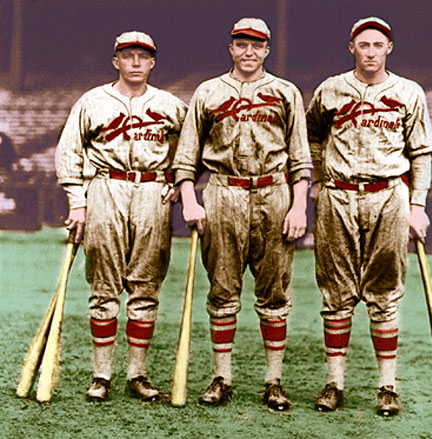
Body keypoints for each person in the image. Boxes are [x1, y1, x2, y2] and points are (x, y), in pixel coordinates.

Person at [170, 17, 311, 411]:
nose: (248, 52)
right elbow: (187, 157)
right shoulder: (209, 91)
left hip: (273, 193)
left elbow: (301, 159)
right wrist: (190, 199)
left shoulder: (285, 92)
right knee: (222, 289)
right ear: (231, 48)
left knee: (275, 293)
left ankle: (273, 381)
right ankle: (222, 377)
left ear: (267, 50)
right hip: (224, 192)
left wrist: (299, 205)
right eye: (241, 44)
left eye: (257, 45)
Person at [305, 17, 432, 416]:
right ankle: (335, 382)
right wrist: (320, 173)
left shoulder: (408, 91)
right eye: (364, 45)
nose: (370, 52)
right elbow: (311, 135)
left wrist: (418, 205)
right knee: (336, 294)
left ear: (389, 48)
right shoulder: (331, 89)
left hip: (388, 195)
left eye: (378, 45)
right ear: (352, 48)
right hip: (339, 196)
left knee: (384, 293)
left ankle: (387, 385)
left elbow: (421, 153)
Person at [55, 31, 187, 402]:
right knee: (104, 285)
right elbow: (69, 151)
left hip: (151, 192)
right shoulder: (93, 101)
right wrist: (76, 200)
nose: (135, 63)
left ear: (153, 62)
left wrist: (179, 180)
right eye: (127, 56)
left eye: (142, 57)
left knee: (145, 286)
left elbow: (192, 146)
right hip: (105, 188)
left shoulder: (169, 104)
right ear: (116, 60)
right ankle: (101, 374)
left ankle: (137, 373)